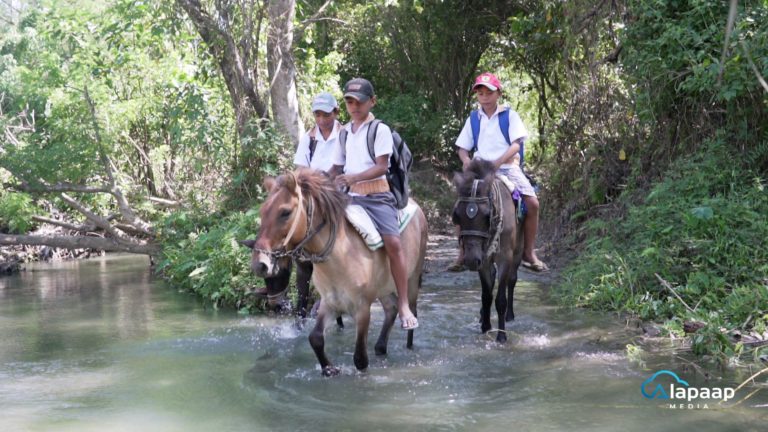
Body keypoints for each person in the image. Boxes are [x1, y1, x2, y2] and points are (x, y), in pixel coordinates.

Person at [328, 78, 419, 330]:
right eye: (349, 101)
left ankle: (402, 303)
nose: (354, 106)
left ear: (372, 101)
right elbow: (336, 167)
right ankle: (328, 294)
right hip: (350, 196)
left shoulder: (380, 129)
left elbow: (381, 165)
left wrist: (353, 177)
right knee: (323, 232)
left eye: (359, 101)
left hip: (378, 197)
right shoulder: (344, 132)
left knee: (393, 243)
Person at [454, 72, 548, 272]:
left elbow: (516, 144)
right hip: (479, 170)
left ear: (498, 94)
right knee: (462, 203)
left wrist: (498, 162)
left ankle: (529, 252)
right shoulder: (473, 118)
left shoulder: (509, 116)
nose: (485, 97)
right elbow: (462, 147)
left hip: (506, 167)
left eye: (489, 92)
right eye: (480, 93)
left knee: (532, 203)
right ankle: (462, 252)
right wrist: (465, 160)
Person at [258, 92, 342, 317]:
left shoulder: (345, 135)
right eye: (317, 114)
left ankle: (338, 287)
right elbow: (300, 169)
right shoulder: (310, 138)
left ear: (335, 112)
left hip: (338, 191)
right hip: (312, 194)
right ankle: (278, 286)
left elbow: (345, 165)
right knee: (282, 230)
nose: (322, 119)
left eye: (326, 114)